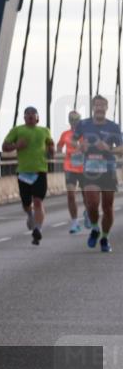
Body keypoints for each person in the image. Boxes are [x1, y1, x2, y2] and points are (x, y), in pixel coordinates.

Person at [74, 95, 123, 253]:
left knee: (107, 207)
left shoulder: (113, 127)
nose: (100, 108)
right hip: (90, 169)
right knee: (92, 203)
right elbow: (72, 141)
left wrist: (109, 149)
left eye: (102, 105)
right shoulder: (83, 124)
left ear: (107, 108)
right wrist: (80, 145)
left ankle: (105, 237)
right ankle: (95, 228)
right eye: (97, 105)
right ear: (93, 107)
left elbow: (121, 148)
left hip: (108, 169)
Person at [1, 106, 54, 245]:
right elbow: (4, 147)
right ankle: (30, 215)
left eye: (33, 114)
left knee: (38, 201)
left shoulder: (44, 130)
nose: (30, 116)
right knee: (26, 203)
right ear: (24, 117)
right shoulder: (18, 130)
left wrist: (52, 149)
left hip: (40, 171)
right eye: (27, 114)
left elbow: (50, 145)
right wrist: (16, 146)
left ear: (37, 118)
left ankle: (38, 230)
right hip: (23, 172)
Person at [56, 110, 85, 233]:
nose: (74, 122)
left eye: (76, 120)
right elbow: (59, 146)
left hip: (84, 168)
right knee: (70, 195)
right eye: (72, 120)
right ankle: (74, 223)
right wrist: (59, 154)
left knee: (87, 197)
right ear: (69, 121)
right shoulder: (65, 134)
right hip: (69, 168)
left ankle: (88, 213)